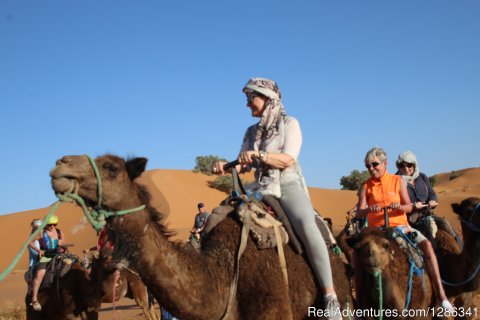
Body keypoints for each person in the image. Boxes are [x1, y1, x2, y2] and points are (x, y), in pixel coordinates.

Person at [211, 77, 341, 319]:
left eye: (252, 98)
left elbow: (288, 158)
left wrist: (259, 155)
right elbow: (243, 164)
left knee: (305, 224)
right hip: (260, 186)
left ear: (267, 98)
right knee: (221, 214)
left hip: (287, 184)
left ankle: (330, 295)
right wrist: (226, 166)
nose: (247, 104)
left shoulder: (289, 123)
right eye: (246, 99)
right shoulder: (251, 131)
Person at [355, 147, 453, 311]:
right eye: (368, 166)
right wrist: (369, 210)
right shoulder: (366, 186)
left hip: (400, 226)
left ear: (385, 163)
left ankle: (441, 296)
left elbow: (409, 206)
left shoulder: (397, 181)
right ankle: (358, 306)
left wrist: (399, 206)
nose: (371, 169)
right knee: (356, 257)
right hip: (376, 231)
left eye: (375, 164)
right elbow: (359, 212)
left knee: (427, 245)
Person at [30, 215, 64, 312]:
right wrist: (38, 250)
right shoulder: (41, 232)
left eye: (54, 224)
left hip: (58, 255)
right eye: (50, 225)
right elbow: (30, 242)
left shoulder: (59, 231)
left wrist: (61, 242)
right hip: (46, 257)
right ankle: (34, 299)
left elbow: (62, 241)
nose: (52, 226)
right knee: (39, 275)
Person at [395, 150, 438, 223]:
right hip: (407, 220)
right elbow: (395, 203)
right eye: (402, 166)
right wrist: (413, 206)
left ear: (414, 165)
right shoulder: (395, 181)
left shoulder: (422, 177)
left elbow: (431, 194)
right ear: (398, 167)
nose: (406, 169)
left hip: (427, 215)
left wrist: (433, 201)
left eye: (409, 165)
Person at [26, 219, 43, 294]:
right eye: (37, 228)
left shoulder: (43, 235)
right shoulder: (32, 238)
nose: (39, 229)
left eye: (40, 227)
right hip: (35, 261)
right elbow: (29, 244)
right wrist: (39, 251)